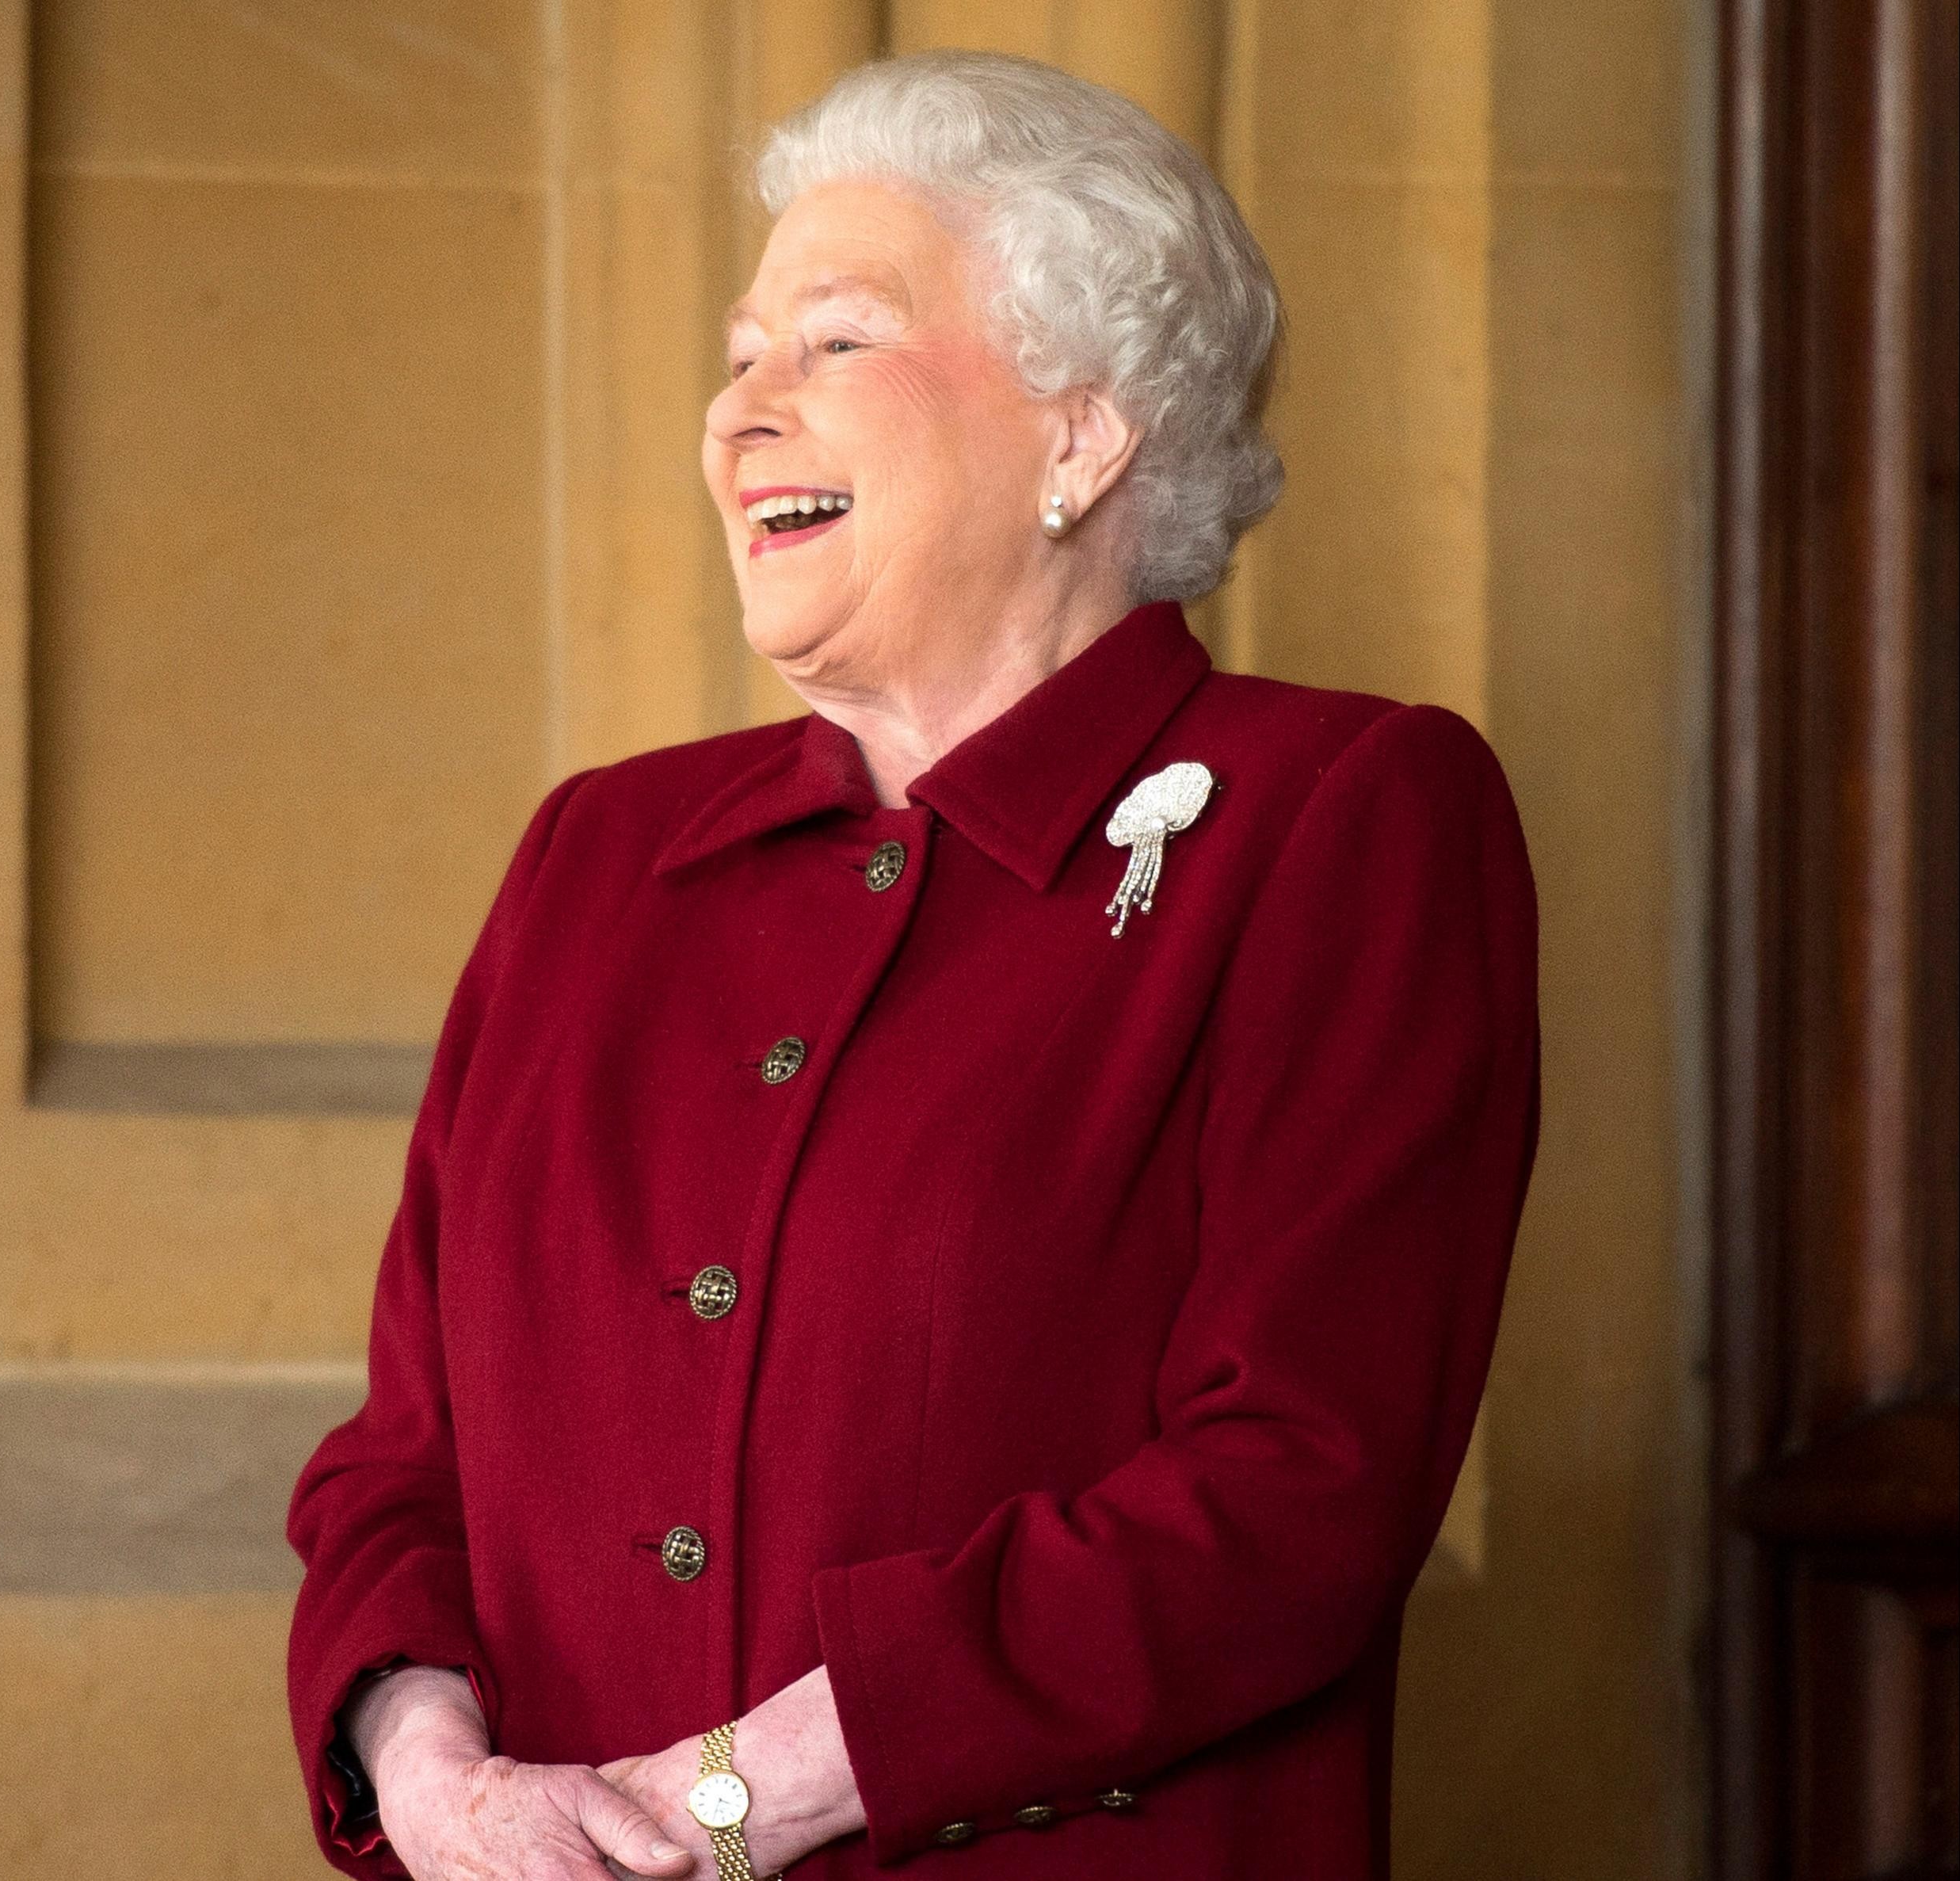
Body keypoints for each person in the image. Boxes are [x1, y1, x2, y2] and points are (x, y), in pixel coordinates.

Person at [284, 48, 1539, 1881]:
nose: (736, 415)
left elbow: (1298, 1490)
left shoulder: (1338, 813)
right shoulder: (595, 855)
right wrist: (431, 1774)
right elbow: (404, 1454)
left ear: (1078, 430)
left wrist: (716, 1798)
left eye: (833, 342)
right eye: (736, 353)